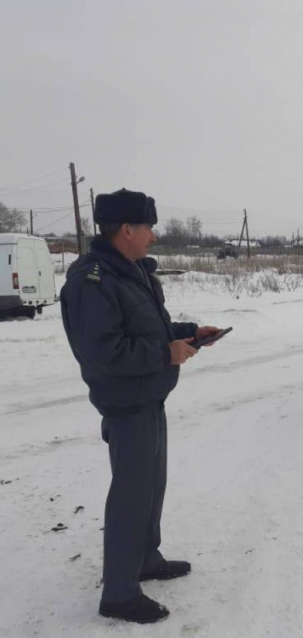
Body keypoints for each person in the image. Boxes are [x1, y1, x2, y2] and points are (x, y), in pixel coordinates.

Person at [60, 188, 221, 623]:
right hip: (126, 402)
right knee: (131, 495)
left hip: (150, 395)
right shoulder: (91, 280)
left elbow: (150, 327)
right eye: (148, 227)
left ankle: (145, 559)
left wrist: (187, 333)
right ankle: (119, 592)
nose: (153, 235)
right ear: (126, 229)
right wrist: (165, 354)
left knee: (151, 487)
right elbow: (103, 352)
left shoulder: (133, 271)